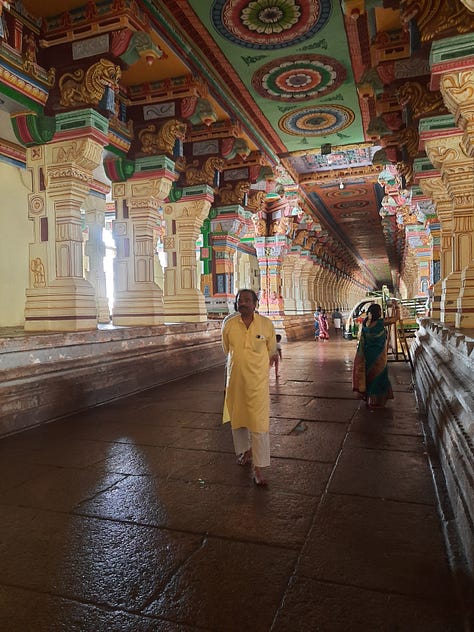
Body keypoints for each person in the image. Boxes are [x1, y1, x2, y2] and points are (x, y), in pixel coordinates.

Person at [222, 289, 278, 486]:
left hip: (257, 383)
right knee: (238, 419)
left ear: (256, 303)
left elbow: (271, 350)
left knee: (258, 423)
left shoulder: (265, 324)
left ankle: (259, 468)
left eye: (247, 300)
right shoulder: (229, 324)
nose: (242, 303)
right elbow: (226, 349)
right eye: (240, 300)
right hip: (235, 381)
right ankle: (245, 451)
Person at [352, 301, 400, 409]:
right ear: (378, 313)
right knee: (379, 378)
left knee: (369, 377)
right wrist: (396, 306)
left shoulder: (365, 323)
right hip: (379, 358)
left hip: (367, 356)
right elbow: (396, 318)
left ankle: (369, 399)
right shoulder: (380, 323)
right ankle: (376, 401)